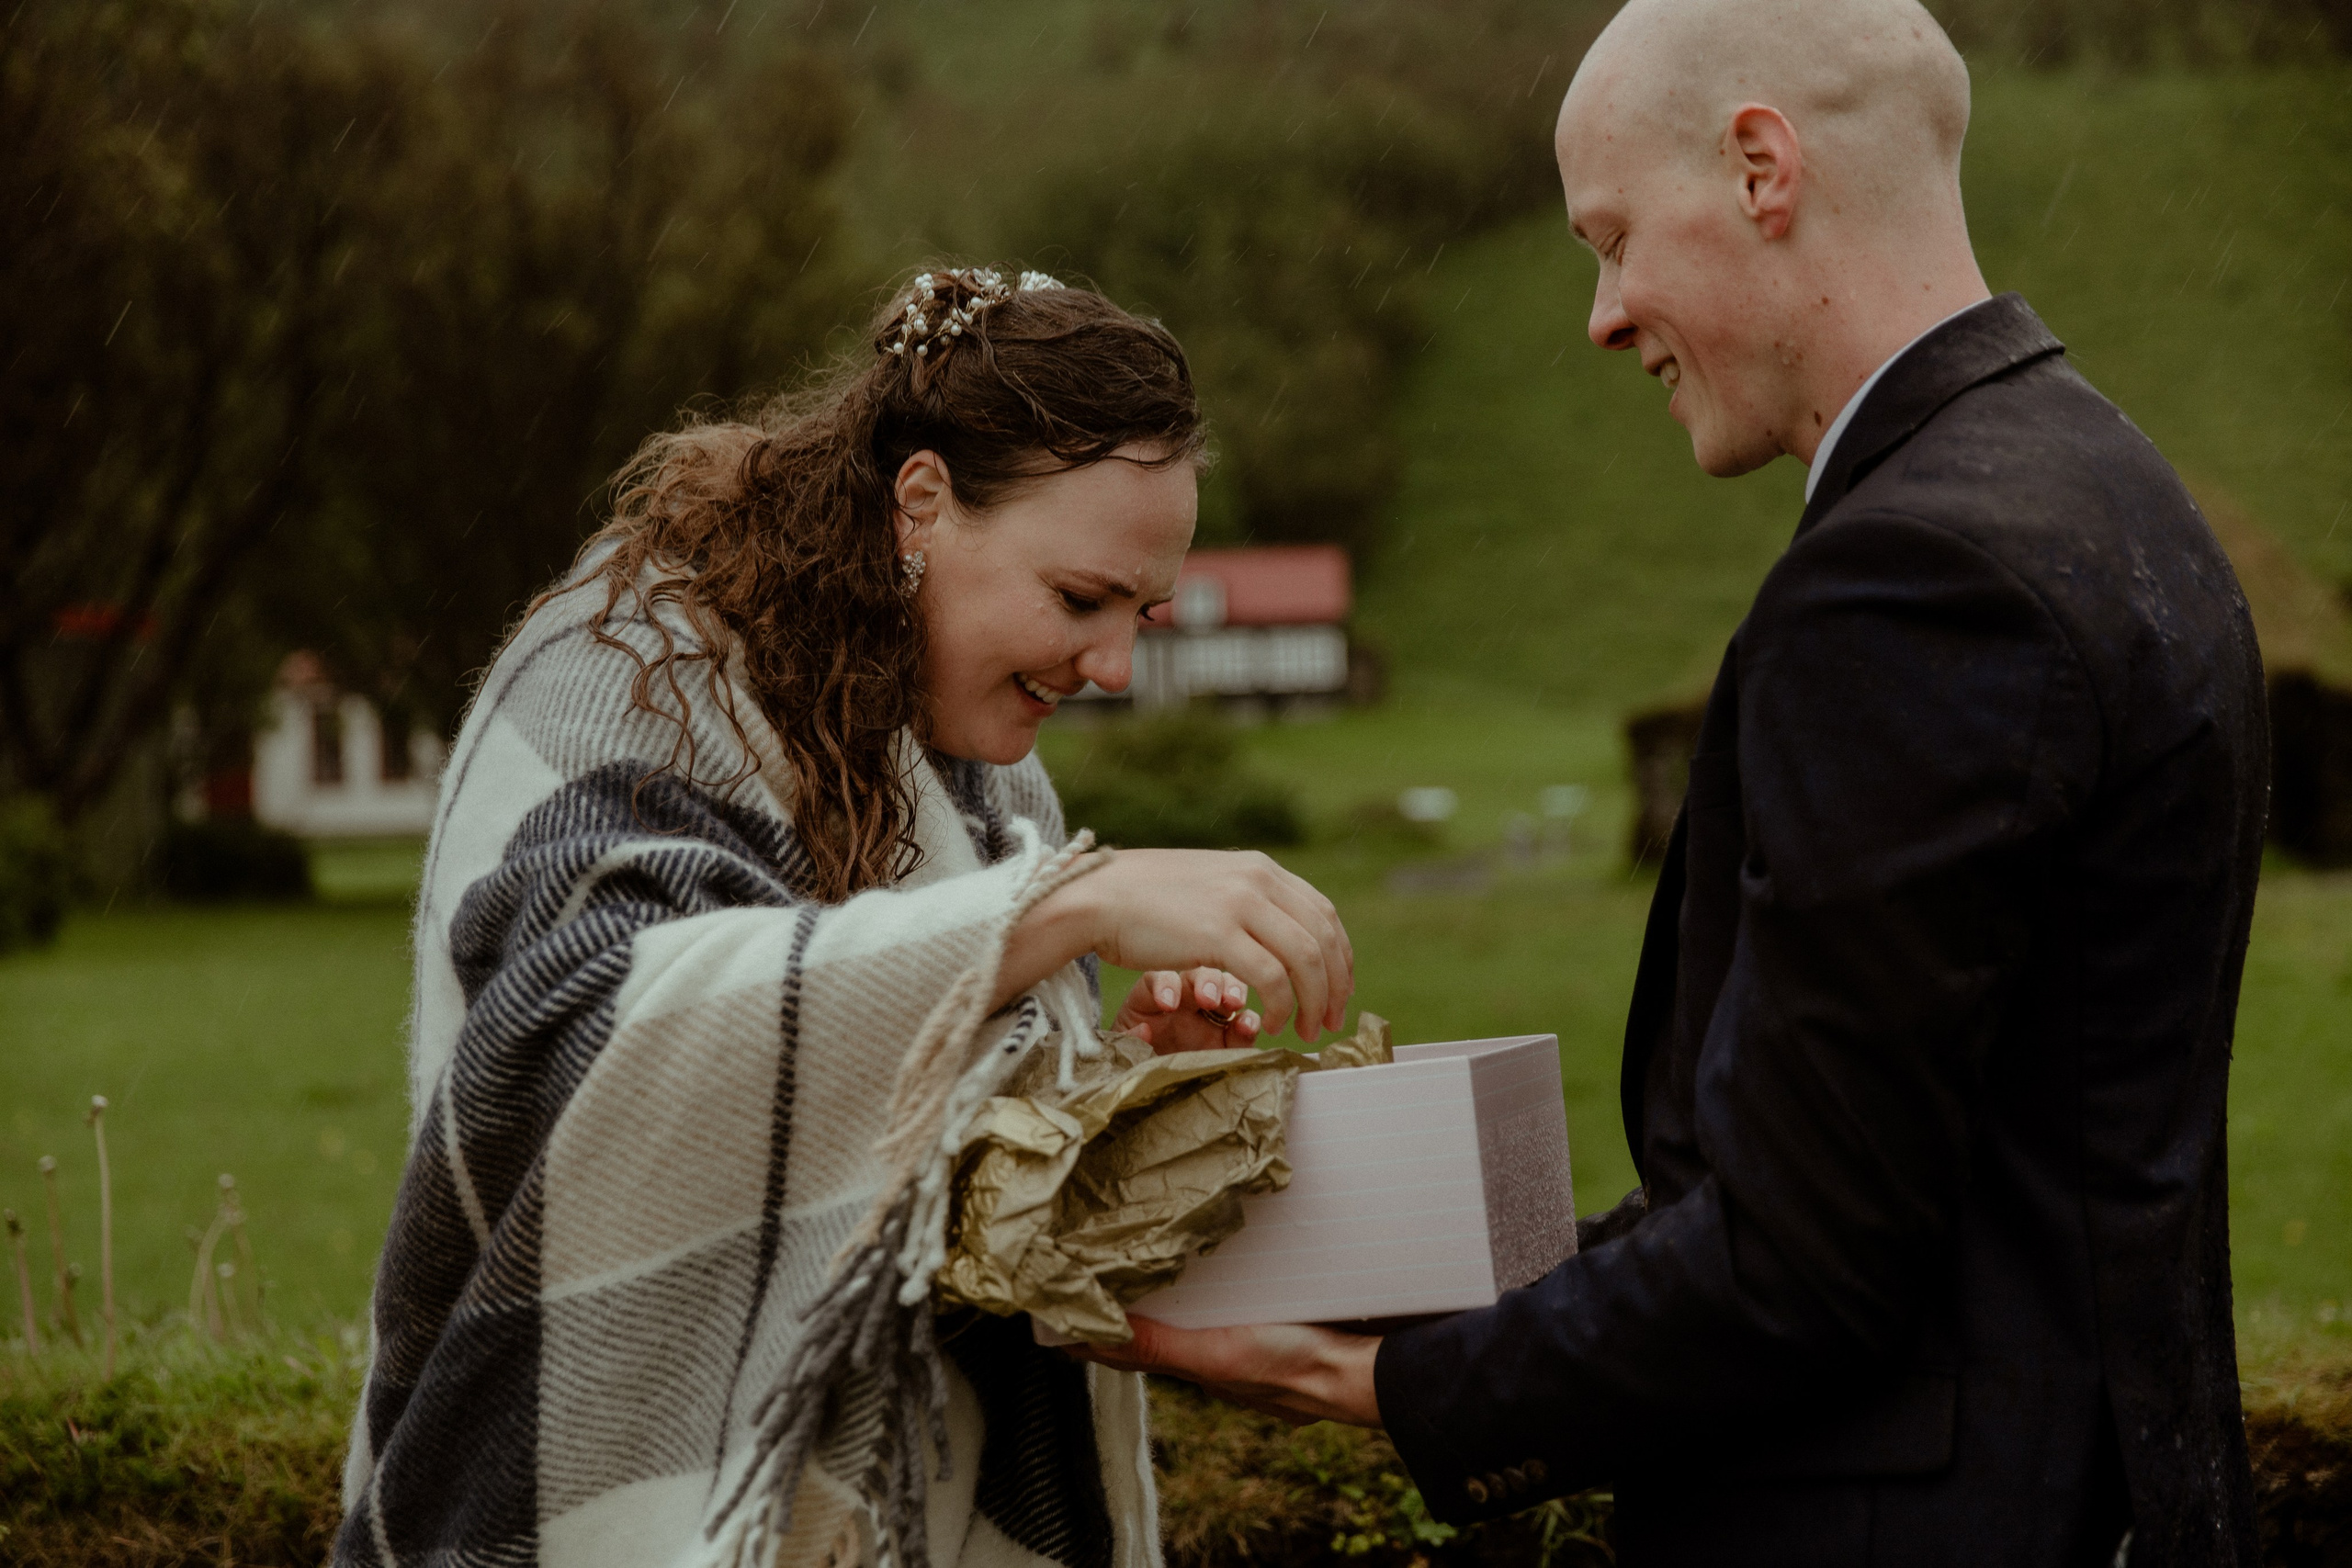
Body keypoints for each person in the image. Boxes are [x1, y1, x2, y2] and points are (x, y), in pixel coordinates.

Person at [1075, 2, 2269, 1562]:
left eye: (1614, 236)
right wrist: (1398, 1266)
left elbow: (1801, 1264)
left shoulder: (1913, 579)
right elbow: (1883, 1171)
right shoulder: (2110, 483)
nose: (1601, 312)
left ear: (1762, 168)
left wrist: (1366, 1377)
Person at [335, 267, 1355, 1568]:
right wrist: (1065, 907)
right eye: (1082, 599)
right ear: (921, 501)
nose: (1114, 667)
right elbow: (585, 1033)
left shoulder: (965, 742)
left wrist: (1124, 1089)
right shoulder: (613, 674)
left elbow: (938, 1154)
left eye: (1142, 615)